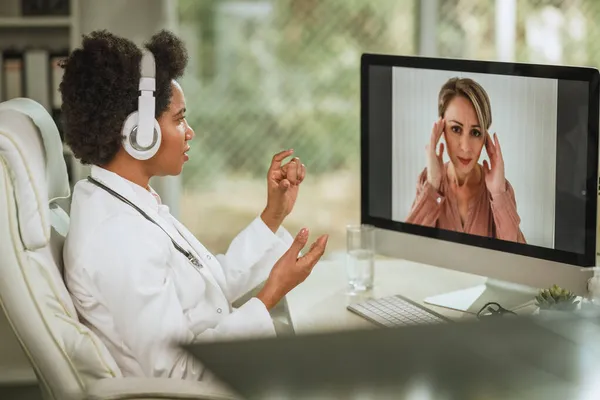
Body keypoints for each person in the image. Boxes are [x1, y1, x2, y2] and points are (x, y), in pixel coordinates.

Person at [60, 29, 328, 381]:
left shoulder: (123, 201)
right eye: (180, 118)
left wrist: (273, 215)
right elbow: (179, 372)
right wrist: (270, 294)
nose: (190, 132)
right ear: (140, 134)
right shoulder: (117, 237)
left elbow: (207, 290)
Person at [405, 77, 525, 243]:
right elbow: (409, 247)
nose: (466, 147)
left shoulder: (500, 190)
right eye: (456, 129)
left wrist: (498, 194)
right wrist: (433, 186)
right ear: (441, 130)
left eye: (475, 132)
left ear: (485, 137)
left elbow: (517, 260)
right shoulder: (428, 181)